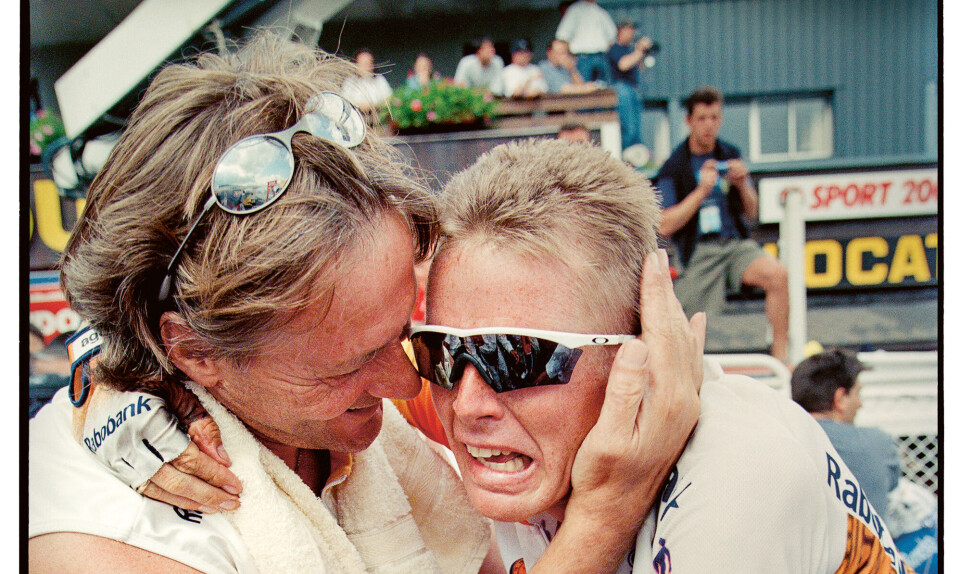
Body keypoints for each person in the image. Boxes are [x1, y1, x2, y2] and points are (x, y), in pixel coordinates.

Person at [29, 34, 700, 574]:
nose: (409, 381)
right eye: (348, 363)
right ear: (194, 352)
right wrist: (605, 517)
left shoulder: (324, 428)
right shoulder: (105, 545)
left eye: (409, 333)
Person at [106, 139, 915, 573]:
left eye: (519, 358)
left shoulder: (740, 477)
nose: (465, 402)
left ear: (643, 341)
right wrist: (131, 392)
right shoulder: (506, 412)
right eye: (440, 348)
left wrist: (601, 513)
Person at [656, 86, 790, 362]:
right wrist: (701, 192)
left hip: (734, 246)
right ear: (689, 121)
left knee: (778, 275)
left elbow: (752, 213)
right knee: (677, 317)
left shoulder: (730, 152)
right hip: (699, 253)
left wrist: (743, 185)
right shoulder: (674, 165)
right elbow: (664, 225)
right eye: (702, 118)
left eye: (715, 117)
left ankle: (781, 357)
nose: (709, 125)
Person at [792, 348, 901, 523]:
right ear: (840, 398)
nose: (860, 403)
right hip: (866, 548)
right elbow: (892, 485)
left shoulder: (779, 443)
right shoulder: (879, 444)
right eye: (857, 393)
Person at [607, 20, 651, 149]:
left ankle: (635, 157)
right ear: (620, 31)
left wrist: (641, 54)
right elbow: (623, 65)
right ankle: (626, 156)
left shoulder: (629, 49)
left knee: (636, 130)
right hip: (622, 90)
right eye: (629, 29)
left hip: (633, 89)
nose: (632, 33)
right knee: (628, 128)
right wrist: (639, 51)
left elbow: (640, 69)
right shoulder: (615, 49)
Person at [554, 0, 617, 84]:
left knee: (604, 91)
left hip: (600, 57)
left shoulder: (600, 12)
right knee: (584, 91)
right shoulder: (574, 10)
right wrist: (567, 56)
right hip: (583, 58)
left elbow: (612, 35)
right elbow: (562, 36)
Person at [341, 48, 392, 113]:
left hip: (378, 115)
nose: (367, 66)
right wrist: (360, 105)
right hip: (357, 116)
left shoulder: (379, 79)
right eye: (363, 63)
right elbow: (346, 101)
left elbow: (388, 97)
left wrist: (375, 105)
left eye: (369, 63)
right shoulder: (350, 81)